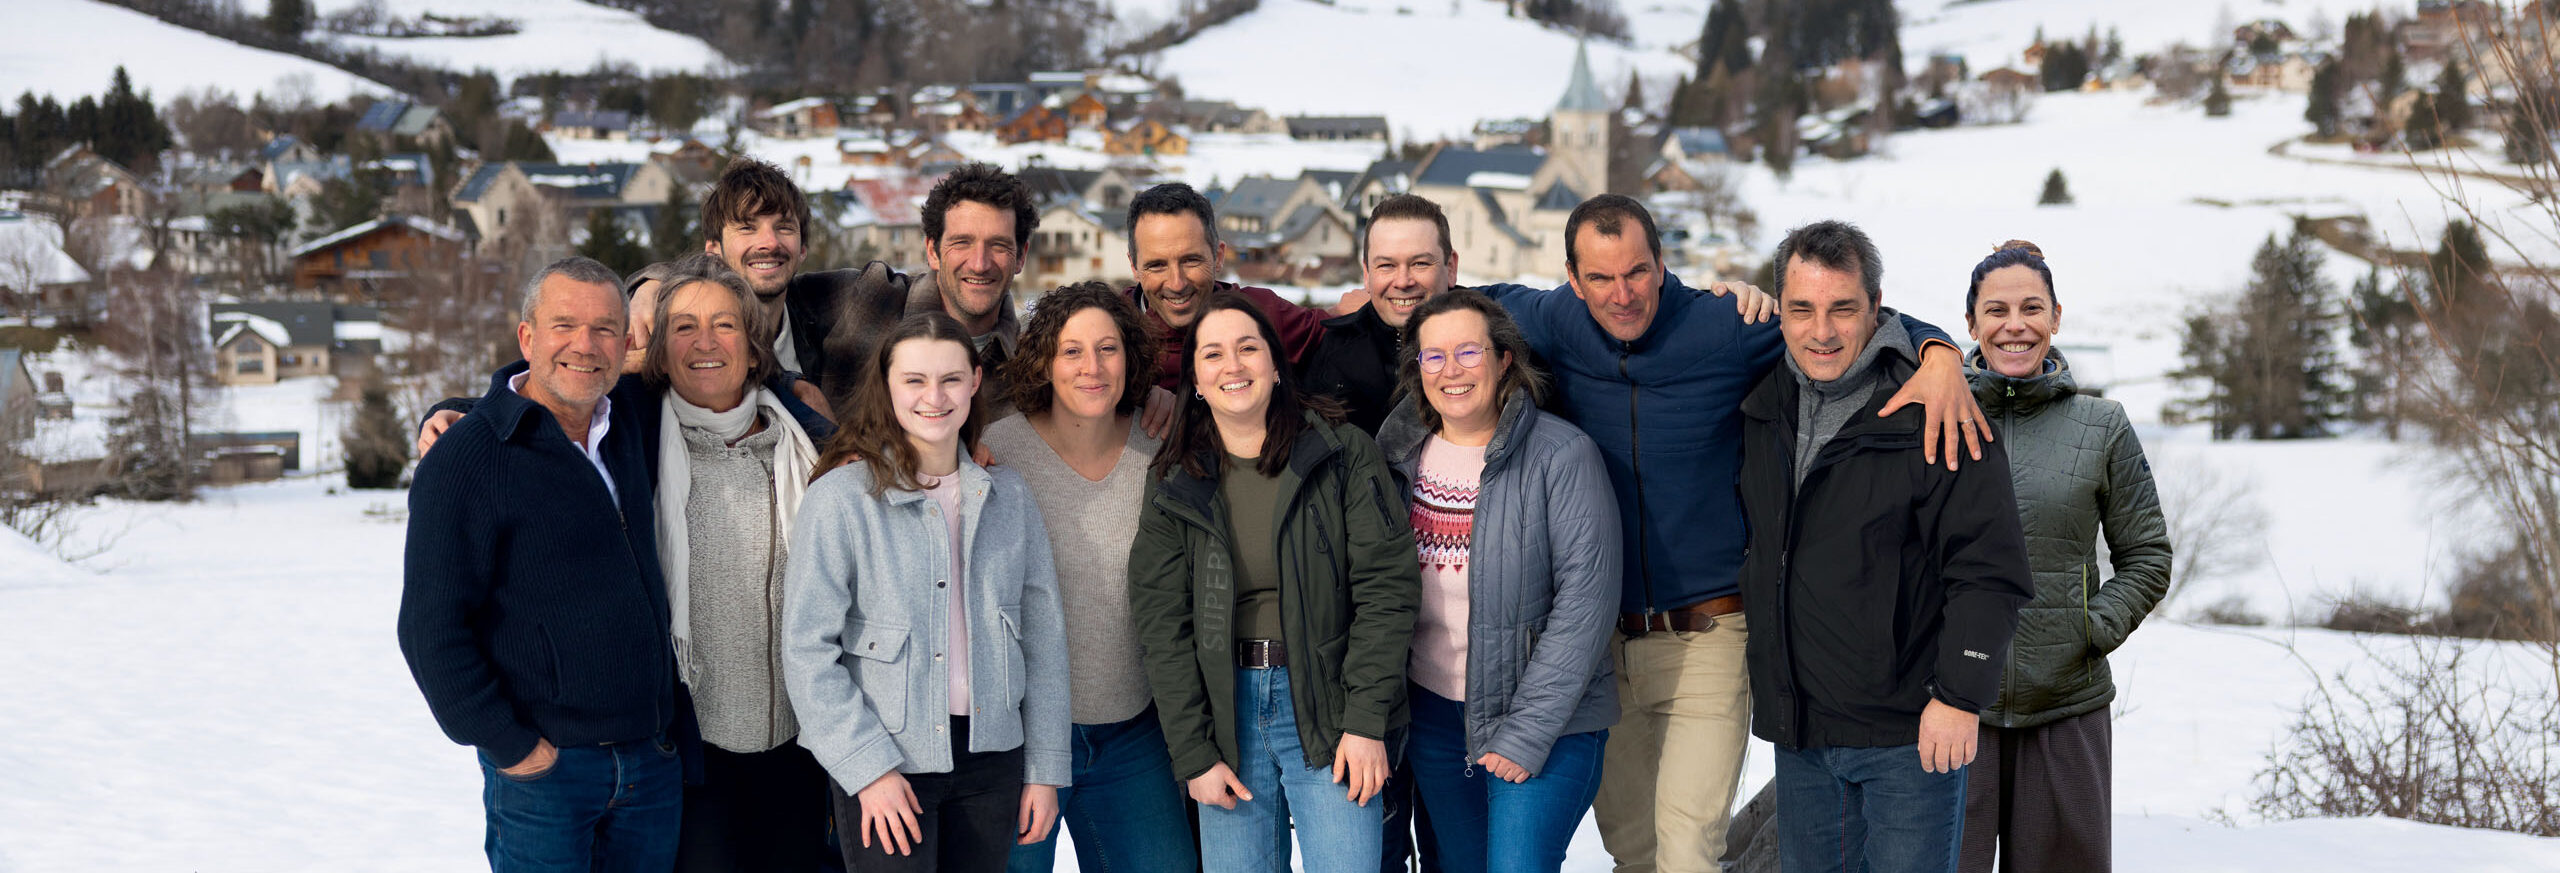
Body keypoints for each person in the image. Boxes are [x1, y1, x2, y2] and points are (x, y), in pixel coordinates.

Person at [1475, 196, 1983, 873]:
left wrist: (1938, 351)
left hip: (1709, 633)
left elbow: (1844, 316)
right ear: (1572, 279)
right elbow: (1460, 304)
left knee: (1688, 852)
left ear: (1662, 264)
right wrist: (1359, 306)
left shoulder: (1725, 326)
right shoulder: (1552, 320)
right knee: (1633, 851)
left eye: (1637, 271)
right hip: (1599, 643)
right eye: (1600, 278)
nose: (1622, 294)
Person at [1734, 220, 2031, 873]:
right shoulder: (1761, 399)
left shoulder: (1937, 410)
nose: (1821, 331)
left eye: (1842, 308)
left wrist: (1959, 696)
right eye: (1801, 309)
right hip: (1803, 733)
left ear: (1876, 306)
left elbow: (1989, 571)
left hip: (1910, 735)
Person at [417, 160, 1043, 453]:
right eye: (748, 229)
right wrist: (467, 414)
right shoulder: (871, 301)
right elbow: (580, 380)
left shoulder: (1023, 366)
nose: (980, 261)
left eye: (998, 245)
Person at [397, 256, 683, 872]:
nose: (585, 345)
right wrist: (511, 745)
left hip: (650, 763)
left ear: (627, 344)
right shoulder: (466, 460)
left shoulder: (632, 421)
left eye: (604, 328)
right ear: (527, 338)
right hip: (547, 774)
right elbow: (430, 629)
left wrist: (803, 397)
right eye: (564, 326)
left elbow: (730, 376)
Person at [1127, 292, 1421, 873]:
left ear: (1277, 364)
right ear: (1196, 381)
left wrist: (1366, 722)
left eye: (1247, 348)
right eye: (1213, 355)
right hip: (1226, 715)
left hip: (1330, 705)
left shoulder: (1341, 453)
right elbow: (1162, 623)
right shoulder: (1174, 478)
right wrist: (1193, 753)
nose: (1232, 366)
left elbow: (1387, 590)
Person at [782, 312, 1071, 873]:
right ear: (887, 386)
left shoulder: (1009, 496)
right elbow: (806, 651)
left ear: (975, 382)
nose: (933, 397)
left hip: (992, 762)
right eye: (914, 380)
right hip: (889, 761)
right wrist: (867, 768)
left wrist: (1044, 769)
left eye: (950, 379)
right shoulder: (841, 499)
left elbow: (1043, 641)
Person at [1375, 291, 1621, 873]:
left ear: (1504, 358)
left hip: (1548, 719)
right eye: (1434, 356)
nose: (1451, 370)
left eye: (1469, 351)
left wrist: (1525, 732)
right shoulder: (1395, 458)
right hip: (1435, 720)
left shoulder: (1562, 455)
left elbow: (1586, 605)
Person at [1956, 241, 2172, 873]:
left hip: (2066, 711)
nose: (2014, 325)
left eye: (2031, 308)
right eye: (1996, 310)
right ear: (1971, 323)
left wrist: (2088, 628)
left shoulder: (2102, 425)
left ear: (2055, 318)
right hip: (1951, 708)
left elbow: (2147, 556)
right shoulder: (1934, 415)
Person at [982, 282, 1197, 873]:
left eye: (1107, 349)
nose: (1092, 368)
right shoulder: (997, 450)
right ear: (1044, 362)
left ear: (1131, 358)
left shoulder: (1161, 445)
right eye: (1071, 351)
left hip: (1132, 730)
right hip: (1021, 737)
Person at [638, 258, 838, 871]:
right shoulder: (629, 442)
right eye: (684, 327)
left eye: (724, 325)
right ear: (658, 352)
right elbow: (548, 381)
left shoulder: (811, 449)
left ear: (754, 351)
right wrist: (458, 406)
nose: (705, 342)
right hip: (691, 753)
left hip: (799, 746)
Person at [1123, 182, 1341, 390]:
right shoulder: (1115, 330)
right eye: (1157, 265)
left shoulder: (1262, 313)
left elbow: (1340, 331)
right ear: (1134, 266)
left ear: (1218, 257)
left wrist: (1343, 312)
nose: (1177, 283)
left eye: (1191, 260)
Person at [1302, 194, 1462, 434]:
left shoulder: (1489, 343)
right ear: (1367, 274)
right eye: (1386, 265)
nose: (1403, 281)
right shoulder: (1331, 354)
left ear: (1450, 268)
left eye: (1420, 263)